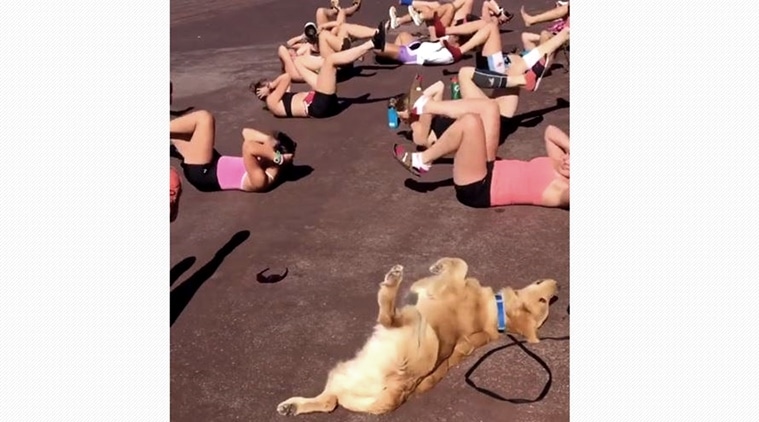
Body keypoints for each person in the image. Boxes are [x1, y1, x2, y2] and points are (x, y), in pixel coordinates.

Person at [392, 112, 570, 209]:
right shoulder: (560, 162)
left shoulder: (560, 189)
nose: (567, 159)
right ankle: (417, 122)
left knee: (470, 122)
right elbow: (550, 131)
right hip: (487, 168)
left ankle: (423, 159)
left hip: (480, 187)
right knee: (484, 112)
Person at [252, 25, 385, 119]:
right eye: (266, 84)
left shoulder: (279, 97)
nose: (269, 83)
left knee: (300, 62)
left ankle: (340, 57)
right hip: (320, 106)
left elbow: (286, 79)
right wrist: (270, 86)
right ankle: (372, 44)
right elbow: (286, 77)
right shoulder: (271, 102)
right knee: (330, 60)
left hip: (321, 100)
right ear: (261, 92)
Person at [170, 110, 296, 193]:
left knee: (204, 118)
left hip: (203, 172)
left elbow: (248, 146)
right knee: (180, 133)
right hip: (212, 161)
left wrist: (278, 157)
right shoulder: (264, 163)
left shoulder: (262, 180)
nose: (262, 148)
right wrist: (269, 140)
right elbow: (246, 132)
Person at [437, 19, 570, 91]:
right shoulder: (534, 57)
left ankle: (458, 49)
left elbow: (545, 45)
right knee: (486, 24)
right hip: (499, 65)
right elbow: (543, 42)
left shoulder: (542, 60)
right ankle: (445, 31)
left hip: (499, 70)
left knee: (491, 27)